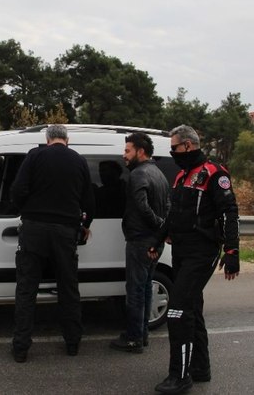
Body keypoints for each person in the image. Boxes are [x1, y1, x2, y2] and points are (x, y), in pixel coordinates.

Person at [154, 125, 240, 394]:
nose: (172, 152)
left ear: (188, 146)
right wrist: (158, 239)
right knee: (191, 308)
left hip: (202, 252)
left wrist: (232, 251)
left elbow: (229, 212)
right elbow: (173, 214)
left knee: (177, 311)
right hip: (181, 250)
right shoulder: (181, 176)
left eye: (175, 147)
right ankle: (200, 368)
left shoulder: (215, 173)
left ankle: (180, 377)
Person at [10, 124, 95, 363]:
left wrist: (24, 210)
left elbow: (18, 189)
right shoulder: (78, 161)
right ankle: (72, 343)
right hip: (65, 231)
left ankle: (21, 348)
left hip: (34, 228)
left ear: (47, 139)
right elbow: (89, 200)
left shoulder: (35, 156)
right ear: (67, 139)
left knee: (27, 289)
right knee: (68, 288)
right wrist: (86, 223)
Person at [110, 133, 170, 353]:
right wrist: (163, 230)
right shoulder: (159, 173)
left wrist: (159, 227)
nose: (124, 155)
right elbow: (168, 204)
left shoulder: (138, 174)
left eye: (127, 151)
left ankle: (134, 338)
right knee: (145, 289)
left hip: (141, 240)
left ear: (140, 151)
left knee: (135, 290)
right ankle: (141, 333)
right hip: (154, 241)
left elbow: (142, 206)